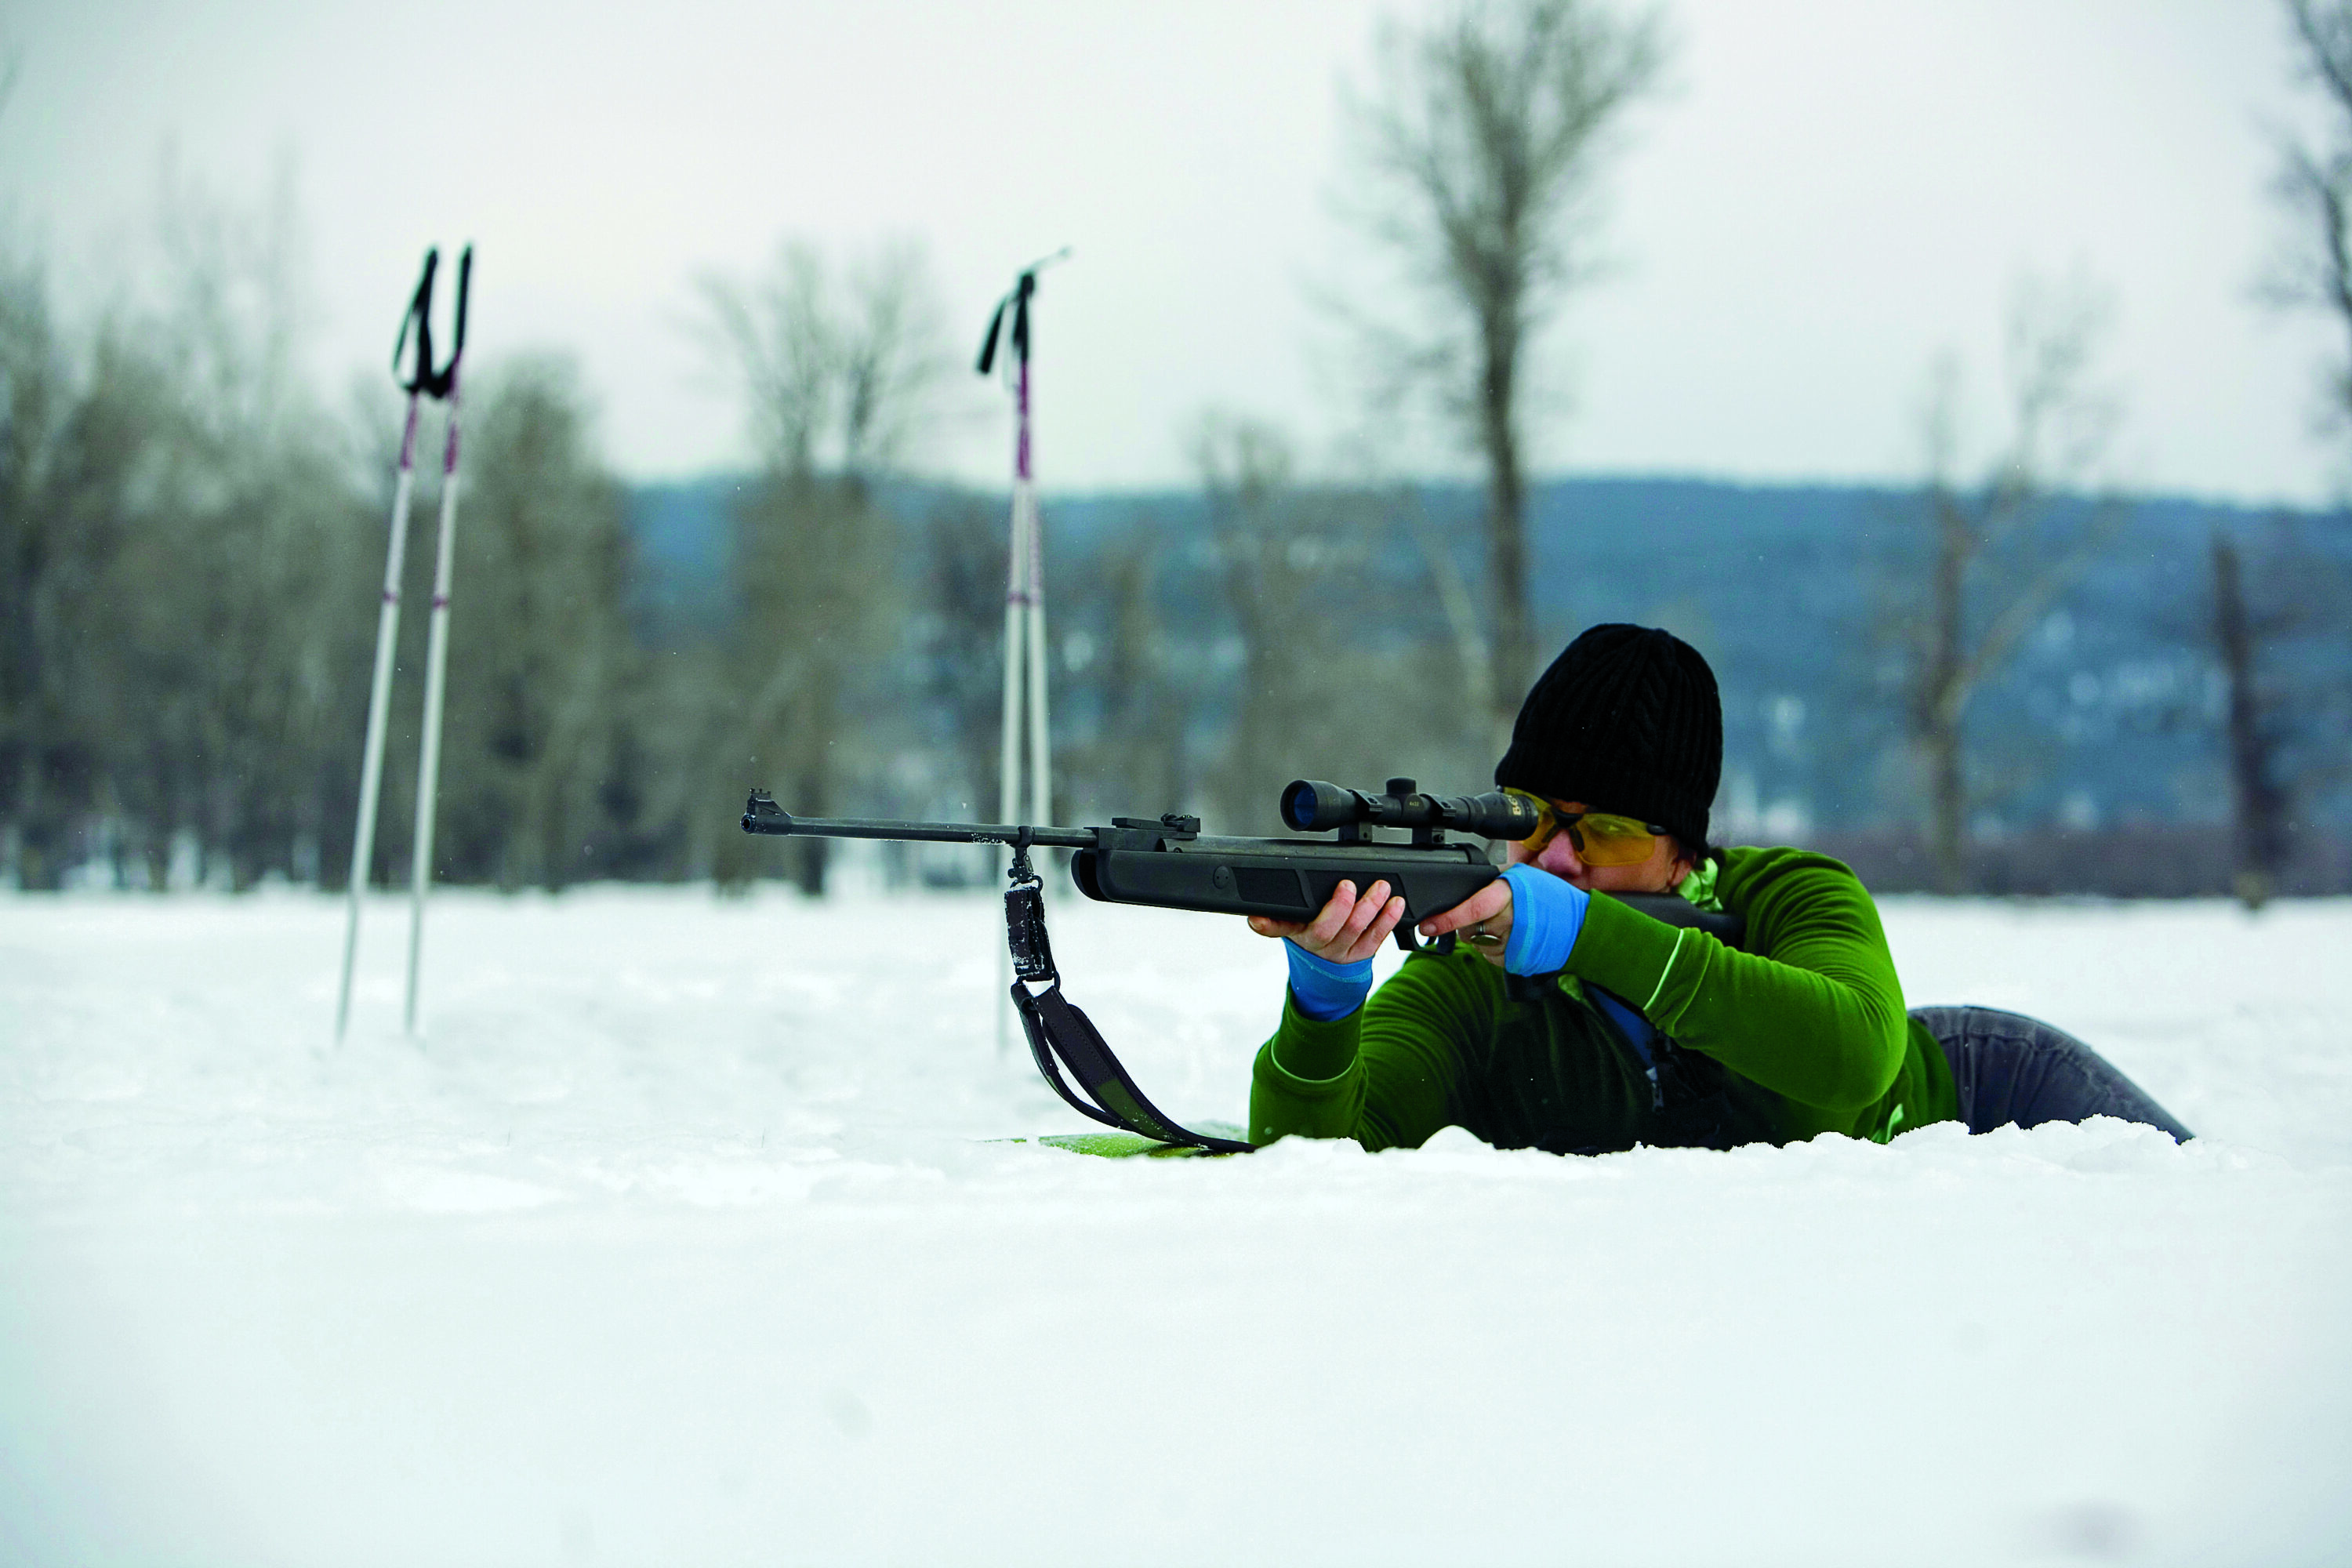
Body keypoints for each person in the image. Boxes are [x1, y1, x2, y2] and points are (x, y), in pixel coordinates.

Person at [1245, 623, 2192, 1154]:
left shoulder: (1791, 894)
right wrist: (1324, 1004)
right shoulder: (1472, 968)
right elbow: (1321, 1165)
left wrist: (1583, 936)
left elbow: (1858, 1054)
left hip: (1993, 1091)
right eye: (1527, 815)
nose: (1557, 857)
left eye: (1604, 829)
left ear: (1682, 850)